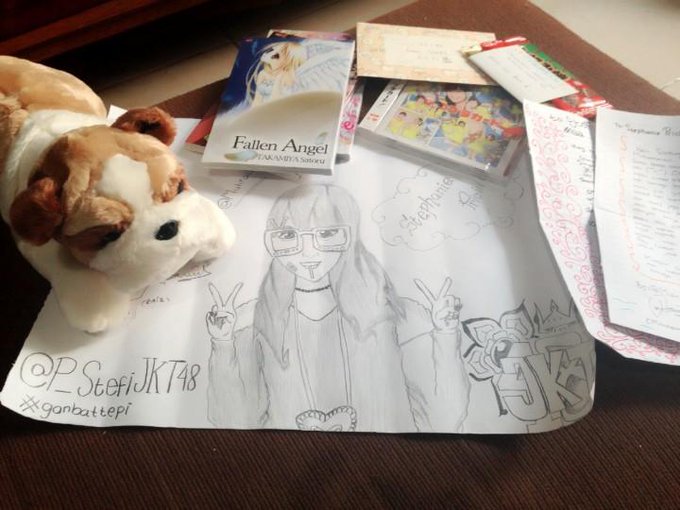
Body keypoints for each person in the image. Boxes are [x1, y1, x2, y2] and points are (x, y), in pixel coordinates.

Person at [206, 184, 470, 432]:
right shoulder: (253, 322)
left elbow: (443, 417)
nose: (308, 251)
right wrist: (223, 343)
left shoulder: (398, 315)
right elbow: (233, 419)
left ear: (351, 236)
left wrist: (445, 334)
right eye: (288, 236)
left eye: (326, 234)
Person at [246, 41, 307, 106]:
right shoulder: (262, 74)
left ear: (287, 63)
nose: (269, 54)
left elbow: (275, 100)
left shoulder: (285, 77)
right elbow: (257, 100)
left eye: (276, 56)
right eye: (271, 50)